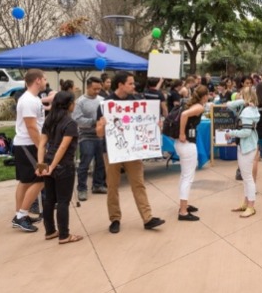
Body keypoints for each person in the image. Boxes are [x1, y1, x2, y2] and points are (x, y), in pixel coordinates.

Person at [96, 71, 165, 233]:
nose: (134, 86)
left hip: (133, 152)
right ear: (120, 85)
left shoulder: (136, 101)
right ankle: (115, 219)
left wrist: (155, 126)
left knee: (138, 184)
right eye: (130, 83)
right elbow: (99, 133)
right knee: (112, 186)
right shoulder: (106, 104)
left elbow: (144, 122)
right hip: (112, 151)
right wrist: (101, 127)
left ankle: (147, 218)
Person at [36, 91, 83, 244]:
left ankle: (50, 231)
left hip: (49, 162)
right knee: (63, 201)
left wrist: (42, 166)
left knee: (49, 199)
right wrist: (53, 167)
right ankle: (64, 235)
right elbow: (63, 148)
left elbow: (42, 144)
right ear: (69, 105)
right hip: (64, 166)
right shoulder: (70, 123)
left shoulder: (49, 120)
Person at [11, 69, 46, 232]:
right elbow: (31, 127)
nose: (46, 81)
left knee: (25, 181)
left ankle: (20, 215)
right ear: (38, 80)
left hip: (27, 145)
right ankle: (21, 216)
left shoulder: (34, 98)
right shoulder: (28, 101)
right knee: (41, 180)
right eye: (44, 78)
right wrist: (41, 148)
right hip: (28, 144)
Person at [226, 86, 261, 218]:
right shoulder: (250, 109)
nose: (239, 96)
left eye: (241, 95)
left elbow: (246, 132)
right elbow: (229, 105)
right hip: (247, 146)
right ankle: (246, 203)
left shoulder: (247, 112)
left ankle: (251, 206)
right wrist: (243, 102)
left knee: (247, 178)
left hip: (247, 147)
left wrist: (231, 133)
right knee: (246, 178)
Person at [176, 85, 209, 221]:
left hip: (182, 144)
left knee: (184, 176)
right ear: (205, 96)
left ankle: (184, 205)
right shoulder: (199, 107)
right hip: (187, 143)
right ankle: (183, 211)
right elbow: (184, 115)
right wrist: (182, 133)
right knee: (188, 177)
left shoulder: (190, 104)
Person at [72, 77, 106, 201]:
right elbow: (77, 119)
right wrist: (94, 122)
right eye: (94, 89)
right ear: (87, 87)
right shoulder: (80, 102)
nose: (97, 91)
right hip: (86, 136)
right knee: (85, 163)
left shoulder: (102, 100)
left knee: (101, 163)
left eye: (99, 89)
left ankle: (98, 185)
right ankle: (82, 189)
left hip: (101, 136)